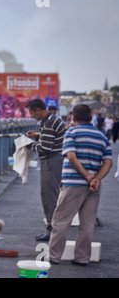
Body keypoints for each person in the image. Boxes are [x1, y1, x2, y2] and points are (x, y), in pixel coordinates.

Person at [48, 104, 112, 266]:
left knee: (61, 221)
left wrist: (87, 176)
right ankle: (82, 258)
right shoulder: (102, 137)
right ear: (91, 118)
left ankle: (54, 257)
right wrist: (95, 179)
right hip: (94, 187)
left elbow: (71, 156)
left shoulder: (71, 132)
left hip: (73, 184)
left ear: (73, 118)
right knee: (87, 223)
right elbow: (108, 163)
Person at [26, 99, 66, 241]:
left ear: (38, 110)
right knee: (53, 194)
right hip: (57, 160)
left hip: (51, 162)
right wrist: (37, 136)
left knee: (49, 196)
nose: (31, 116)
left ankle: (52, 231)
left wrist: (29, 144)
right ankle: (54, 228)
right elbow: (50, 139)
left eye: (32, 113)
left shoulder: (48, 123)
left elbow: (44, 148)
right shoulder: (52, 119)